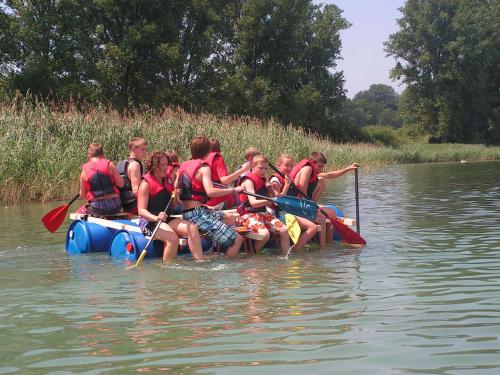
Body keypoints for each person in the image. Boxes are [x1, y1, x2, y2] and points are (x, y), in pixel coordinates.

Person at [177, 136, 244, 257]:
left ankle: (214, 246)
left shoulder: (183, 165)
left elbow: (177, 188)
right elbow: (210, 192)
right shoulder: (204, 168)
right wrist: (233, 190)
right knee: (237, 239)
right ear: (209, 151)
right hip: (198, 215)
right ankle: (227, 269)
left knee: (231, 217)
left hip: (189, 212)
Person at [137, 151, 205, 262]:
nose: (165, 168)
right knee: (172, 238)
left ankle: (199, 262)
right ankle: (167, 271)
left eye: (166, 164)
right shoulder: (145, 184)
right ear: (154, 166)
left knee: (192, 228)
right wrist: (156, 218)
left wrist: (176, 197)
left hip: (166, 219)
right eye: (161, 165)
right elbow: (141, 211)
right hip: (150, 222)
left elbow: (173, 205)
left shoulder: (168, 180)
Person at [289, 152, 359, 248]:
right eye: (320, 166)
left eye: (322, 167)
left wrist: (348, 169)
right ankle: (323, 246)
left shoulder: (313, 170)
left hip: (304, 203)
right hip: (297, 205)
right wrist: (312, 208)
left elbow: (331, 175)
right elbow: (302, 192)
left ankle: (328, 243)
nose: (321, 169)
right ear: (312, 162)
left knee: (323, 185)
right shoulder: (307, 169)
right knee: (327, 216)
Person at [237, 155, 291, 255]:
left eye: (265, 168)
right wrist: (269, 200)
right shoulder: (248, 181)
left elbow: (273, 200)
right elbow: (253, 203)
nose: (263, 171)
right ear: (253, 166)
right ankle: (252, 256)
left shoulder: (264, 180)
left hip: (263, 214)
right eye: (260, 168)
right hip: (248, 215)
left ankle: (286, 257)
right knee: (265, 234)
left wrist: (270, 189)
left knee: (284, 230)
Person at [269, 154, 318, 251]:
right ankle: (296, 250)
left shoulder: (286, 178)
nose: (289, 168)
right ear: (278, 165)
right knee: (313, 227)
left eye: (291, 166)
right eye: (286, 165)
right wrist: (287, 185)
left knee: (316, 222)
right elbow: (277, 201)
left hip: (289, 212)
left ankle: (297, 248)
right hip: (280, 214)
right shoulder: (275, 180)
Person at [78, 143, 124, 216]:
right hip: (115, 205)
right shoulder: (110, 165)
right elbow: (121, 184)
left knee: (78, 213)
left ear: (89, 156)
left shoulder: (84, 171)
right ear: (103, 155)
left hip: (97, 207)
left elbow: (82, 195)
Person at [206, 138, 250, 209]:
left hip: (205, 199)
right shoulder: (218, 159)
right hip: (218, 197)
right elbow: (224, 180)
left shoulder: (201, 159)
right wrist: (243, 169)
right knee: (243, 203)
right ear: (219, 150)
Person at [117, 137, 147, 215]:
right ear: (134, 149)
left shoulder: (123, 163)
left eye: (145, 149)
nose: (145, 152)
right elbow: (136, 191)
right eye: (142, 149)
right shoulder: (135, 165)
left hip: (125, 205)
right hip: (133, 207)